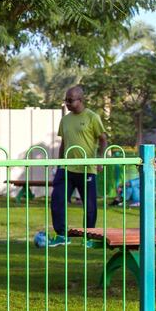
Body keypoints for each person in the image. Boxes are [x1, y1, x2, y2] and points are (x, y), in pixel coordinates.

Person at [44, 86, 107, 247]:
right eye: (66, 100)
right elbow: (64, 143)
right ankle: (62, 235)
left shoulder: (92, 117)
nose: (67, 103)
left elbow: (103, 139)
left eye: (70, 100)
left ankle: (89, 236)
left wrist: (100, 159)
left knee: (90, 205)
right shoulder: (65, 119)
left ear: (81, 100)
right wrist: (58, 164)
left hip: (86, 169)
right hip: (66, 168)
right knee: (57, 200)